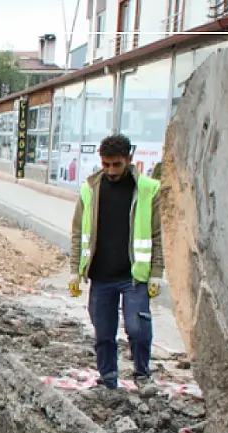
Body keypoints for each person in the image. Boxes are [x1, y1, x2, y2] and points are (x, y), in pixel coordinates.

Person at [68, 133, 164, 390]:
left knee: (137, 328)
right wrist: (74, 271)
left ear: (128, 160)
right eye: (106, 164)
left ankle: (142, 376)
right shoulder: (90, 190)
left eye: (116, 165)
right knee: (103, 332)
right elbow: (78, 232)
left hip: (133, 275)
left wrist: (156, 272)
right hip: (101, 275)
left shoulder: (147, 190)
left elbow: (157, 234)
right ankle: (108, 378)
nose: (110, 171)